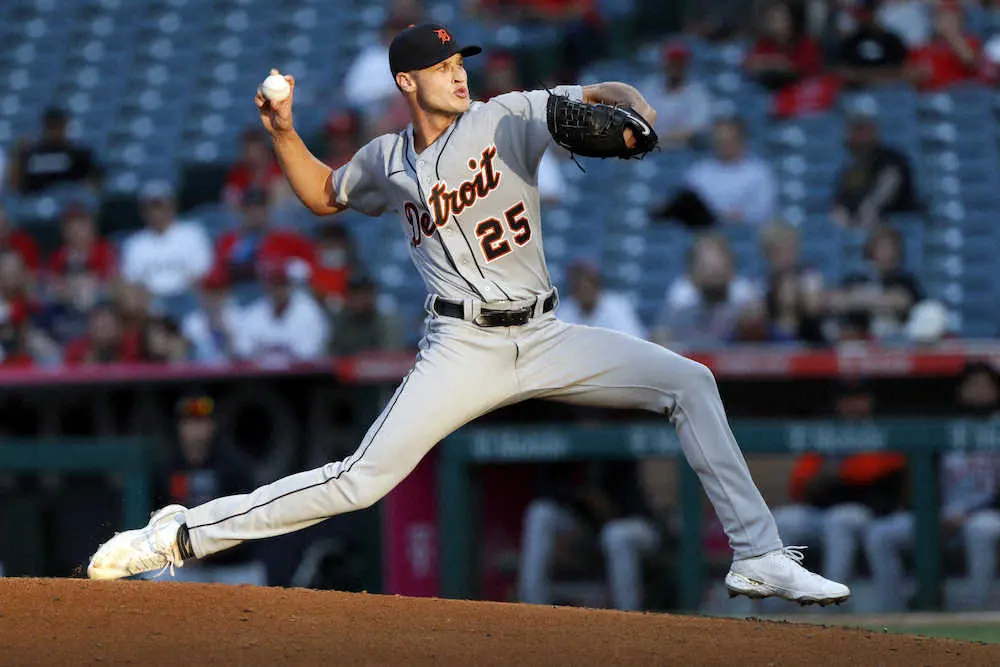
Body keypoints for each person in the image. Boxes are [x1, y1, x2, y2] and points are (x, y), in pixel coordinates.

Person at [88, 22, 849, 607]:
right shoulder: (388, 160)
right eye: (445, 68)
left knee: (691, 381)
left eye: (462, 64)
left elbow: (589, 103)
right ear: (406, 82)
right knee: (360, 478)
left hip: (547, 332)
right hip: (462, 343)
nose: (460, 76)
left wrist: (624, 102)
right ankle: (180, 534)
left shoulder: (508, 115)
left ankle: (759, 553)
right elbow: (324, 194)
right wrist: (284, 132)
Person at [864, 363, 1000, 611]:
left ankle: (979, 612)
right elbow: (919, 481)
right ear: (961, 391)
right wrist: (930, 512)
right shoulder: (944, 427)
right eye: (973, 385)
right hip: (941, 512)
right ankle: (892, 614)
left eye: (985, 386)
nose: (979, 391)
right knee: (880, 534)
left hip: (987, 513)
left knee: (981, 530)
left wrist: (968, 514)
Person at [772, 379, 907, 599]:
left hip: (870, 513)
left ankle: (832, 603)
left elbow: (876, 473)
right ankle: (774, 606)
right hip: (823, 510)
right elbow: (801, 482)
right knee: (782, 520)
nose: (853, 405)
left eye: (859, 399)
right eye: (847, 400)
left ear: (870, 402)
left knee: (840, 521)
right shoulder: (826, 432)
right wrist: (820, 478)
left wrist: (840, 472)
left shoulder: (882, 430)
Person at [153, 395, 266, 585]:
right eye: (190, 423)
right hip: (186, 567)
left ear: (212, 426)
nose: (196, 430)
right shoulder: (167, 467)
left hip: (232, 567)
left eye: (201, 422)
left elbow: (246, 524)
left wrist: (204, 551)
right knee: (156, 576)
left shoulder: (234, 467)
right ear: (179, 427)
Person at [518, 461, 660, 611]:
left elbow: (622, 507)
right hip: (589, 529)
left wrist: (599, 505)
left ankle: (628, 617)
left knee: (616, 535)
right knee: (540, 512)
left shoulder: (617, 458)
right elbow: (548, 488)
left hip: (637, 524)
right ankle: (533, 608)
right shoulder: (567, 459)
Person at [657, 117, 776, 228]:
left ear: (741, 139)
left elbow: (764, 210)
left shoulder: (759, 172)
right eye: (719, 140)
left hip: (742, 230)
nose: (724, 145)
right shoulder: (699, 171)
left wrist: (736, 215)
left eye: (729, 140)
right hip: (703, 230)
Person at [654, 233, 760, 346]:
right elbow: (660, 337)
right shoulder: (680, 303)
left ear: (731, 269)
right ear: (692, 273)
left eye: (718, 268)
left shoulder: (745, 300)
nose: (712, 274)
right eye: (705, 267)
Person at [827, 225, 923, 342]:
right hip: (858, 340)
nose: (885, 252)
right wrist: (876, 300)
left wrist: (861, 298)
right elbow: (836, 301)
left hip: (897, 340)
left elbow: (902, 301)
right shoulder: (857, 277)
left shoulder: (904, 279)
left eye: (889, 247)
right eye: (880, 247)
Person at [120, 181, 213, 299]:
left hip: (188, 298)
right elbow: (131, 280)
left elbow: (203, 272)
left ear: (172, 206)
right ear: (142, 212)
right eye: (150, 208)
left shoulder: (192, 233)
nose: (155, 213)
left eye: (159, 206)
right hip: (150, 304)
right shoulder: (134, 243)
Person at [831, 108, 918, 229]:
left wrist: (868, 208)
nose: (858, 136)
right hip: (860, 225)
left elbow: (885, 191)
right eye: (854, 129)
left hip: (896, 225)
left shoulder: (892, 160)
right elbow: (843, 202)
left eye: (862, 128)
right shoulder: (850, 168)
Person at [213, 187, 316, 286]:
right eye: (249, 208)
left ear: (268, 209)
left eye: (259, 207)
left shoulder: (290, 240)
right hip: (238, 296)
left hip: (282, 295)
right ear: (241, 211)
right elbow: (217, 276)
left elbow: (312, 270)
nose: (255, 213)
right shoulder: (228, 242)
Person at [232, 260, 329, 363]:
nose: (278, 290)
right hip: (262, 376)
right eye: (274, 284)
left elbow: (309, 353)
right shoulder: (255, 312)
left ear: (290, 285)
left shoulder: (309, 311)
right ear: (266, 286)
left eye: (282, 284)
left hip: (301, 376)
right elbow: (243, 350)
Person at [8, 107, 101, 195]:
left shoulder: (78, 154)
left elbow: (93, 185)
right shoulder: (31, 154)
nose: (55, 131)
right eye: (52, 127)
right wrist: (17, 155)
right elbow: (15, 188)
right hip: (33, 204)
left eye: (59, 126)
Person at [759, 221, 825, 344]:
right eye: (779, 251)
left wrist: (797, 294)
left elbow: (814, 306)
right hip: (773, 340)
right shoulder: (764, 281)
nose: (786, 256)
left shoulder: (809, 274)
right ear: (768, 254)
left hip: (810, 338)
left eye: (790, 249)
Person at [642, 42, 713, 150]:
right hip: (648, 150)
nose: (675, 67)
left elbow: (694, 131)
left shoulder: (698, 93)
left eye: (679, 63)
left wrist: (658, 139)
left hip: (685, 151)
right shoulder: (649, 87)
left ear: (686, 65)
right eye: (672, 62)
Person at [745, 1, 823, 92]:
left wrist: (777, 64)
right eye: (773, 20)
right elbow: (751, 64)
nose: (778, 25)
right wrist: (777, 62)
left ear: (792, 20)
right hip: (769, 94)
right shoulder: (763, 44)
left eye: (782, 19)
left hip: (803, 94)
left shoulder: (806, 44)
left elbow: (806, 71)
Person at [906, 0, 983, 92]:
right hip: (931, 97)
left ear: (960, 19)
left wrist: (950, 34)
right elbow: (908, 76)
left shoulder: (970, 41)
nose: (945, 20)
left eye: (951, 17)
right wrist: (918, 75)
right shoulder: (923, 46)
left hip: (961, 95)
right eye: (941, 16)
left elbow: (969, 61)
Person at [558, 260, 645, 339]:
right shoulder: (564, 311)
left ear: (597, 285)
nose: (584, 290)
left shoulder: (616, 307)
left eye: (588, 284)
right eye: (578, 285)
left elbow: (633, 343)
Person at [837, 0, 910, 88]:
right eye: (860, 14)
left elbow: (907, 72)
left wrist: (865, 75)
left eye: (866, 12)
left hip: (891, 90)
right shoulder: (850, 42)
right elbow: (845, 74)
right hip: (860, 92)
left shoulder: (891, 39)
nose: (863, 17)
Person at [328, 274, 404, 357]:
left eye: (366, 293)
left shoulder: (386, 322)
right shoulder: (339, 321)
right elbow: (331, 356)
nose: (361, 299)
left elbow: (392, 356)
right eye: (356, 293)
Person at [181, 269, 241, 365]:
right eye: (209, 292)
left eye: (218, 291)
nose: (214, 297)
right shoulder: (192, 322)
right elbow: (187, 359)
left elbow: (239, 358)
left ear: (226, 293)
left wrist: (221, 326)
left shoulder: (237, 317)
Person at [223, 128, 286, 209]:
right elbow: (230, 207)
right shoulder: (236, 176)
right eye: (249, 154)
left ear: (267, 152)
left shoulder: (281, 173)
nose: (253, 159)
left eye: (258, 153)